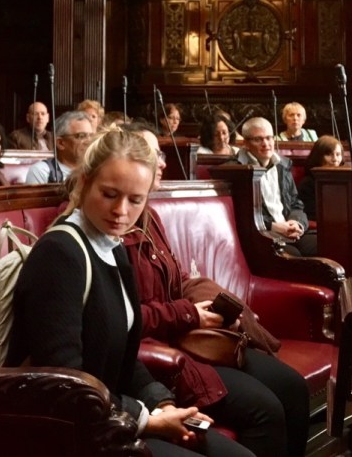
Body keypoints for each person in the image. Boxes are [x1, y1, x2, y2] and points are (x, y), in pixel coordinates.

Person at [8, 129, 250, 457]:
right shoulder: (60, 253)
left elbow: (124, 355)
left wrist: (161, 403)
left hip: (111, 413)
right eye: (109, 194)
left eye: (135, 200)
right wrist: (147, 421)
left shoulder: (113, 247)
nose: (121, 210)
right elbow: (65, 382)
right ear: (84, 182)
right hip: (74, 431)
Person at [123, 124, 309, 457]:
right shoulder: (111, 232)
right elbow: (125, 319)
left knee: (292, 386)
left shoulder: (148, 216)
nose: (162, 162)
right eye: (152, 155)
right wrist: (189, 314)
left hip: (187, 336)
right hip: (164, 353)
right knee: (265, 409)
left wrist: (215, 309)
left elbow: (177, 279)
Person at [236, 118, 317, 257]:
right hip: (262, 235)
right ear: (246, 144)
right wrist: (274, 226)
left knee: (328, 245)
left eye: (269, 138)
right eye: (258, 139)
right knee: (293, 256)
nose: (266, 144)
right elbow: (241, 213)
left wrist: (296, 223)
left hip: (289, 231)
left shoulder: (283, 166)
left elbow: (295, 203)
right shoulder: (237, 169)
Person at [25, 110, 93, 184]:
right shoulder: (41, 172)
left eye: (92, 136)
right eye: (81, 136)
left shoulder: (96, 170)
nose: (89, 141)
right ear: (60, 143)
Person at [296, 135, 344, 221]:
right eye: (329, 154)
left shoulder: (346, 180)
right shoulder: (307, 184)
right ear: (318, 157)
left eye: (338, 154)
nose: (335, 159)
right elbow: (310, 213)